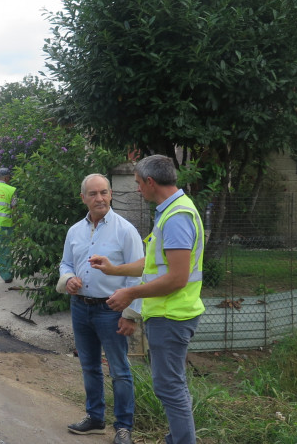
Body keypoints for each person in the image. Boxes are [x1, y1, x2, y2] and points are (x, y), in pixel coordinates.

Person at [90, 155, 206, 444]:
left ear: (151, 182)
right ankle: (177, 438)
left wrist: (130, 293)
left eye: (139, 183)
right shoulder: (171, 211)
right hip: (170, 313)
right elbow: (152, 265)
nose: (138, 189)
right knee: (172, 384)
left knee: (169, 386)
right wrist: (115, 269)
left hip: (172, 315)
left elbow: (177, 278)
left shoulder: (177, 217)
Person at [58, 174, 143, 444]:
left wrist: (131, 315)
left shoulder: (125, 230)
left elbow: (138, 275)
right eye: (93, 194)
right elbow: (65, 264)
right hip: (81, 307)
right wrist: (68, 279)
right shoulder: (75, 231)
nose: (99, 198)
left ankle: (123, 427)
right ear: (83, 198)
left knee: (119, 370)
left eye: (104, 193)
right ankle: (95, 418)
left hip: (111, 310)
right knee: (90, 366)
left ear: (111, 194)